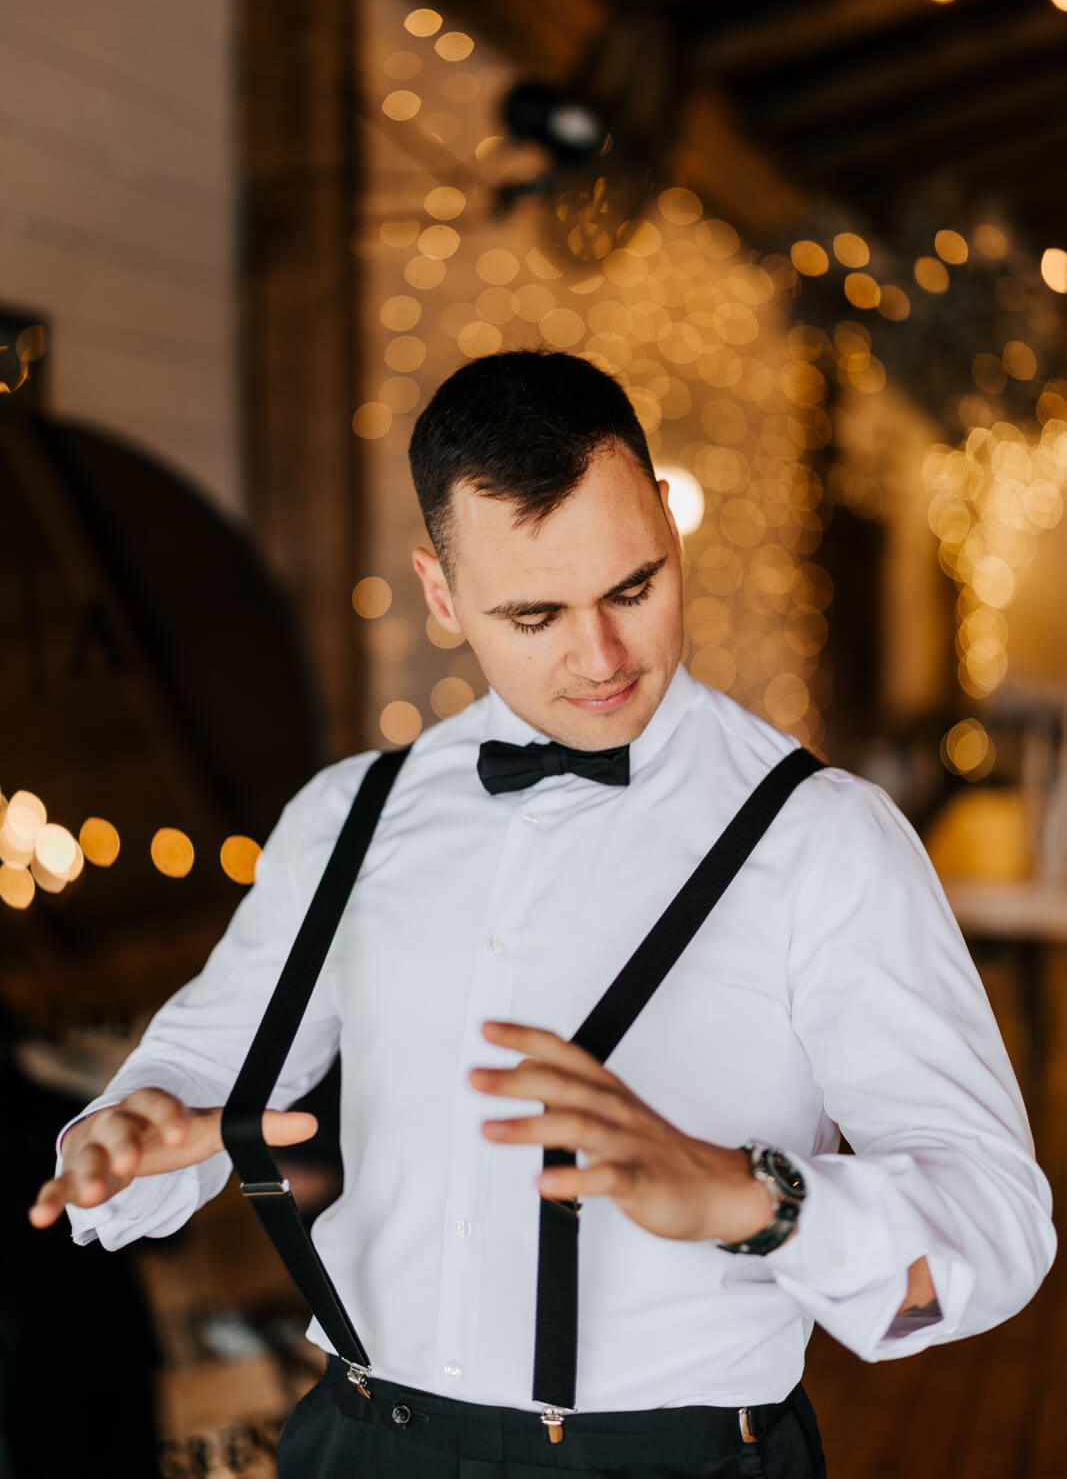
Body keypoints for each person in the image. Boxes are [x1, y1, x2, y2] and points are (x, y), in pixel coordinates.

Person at [31, 351, 1055, 1479]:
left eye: (633, 586)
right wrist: (132, 1125)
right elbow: (199, 1053)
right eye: (534, 613)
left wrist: (746, 1196)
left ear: (666, 521)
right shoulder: (346, 815)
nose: (603, 656)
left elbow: (997, 1218)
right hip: (356, 1444)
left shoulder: (824, 838)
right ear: (438, 592)